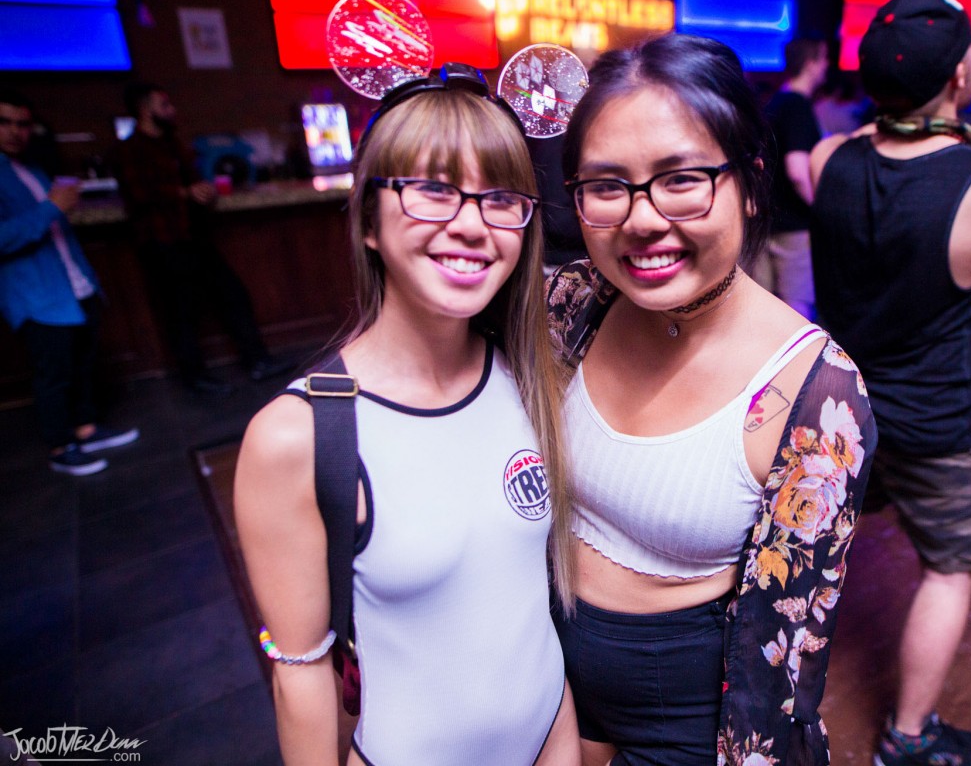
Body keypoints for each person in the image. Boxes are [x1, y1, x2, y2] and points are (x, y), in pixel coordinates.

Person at [234, 67, 580, 765]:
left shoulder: (532, 377)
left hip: (553, 738)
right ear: (368, 220)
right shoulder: (299, 435)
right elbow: (300, 675)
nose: (472, 225)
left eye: (501, 199)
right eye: (433, 190)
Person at [548, 33, 877, 766]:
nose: (641, 219)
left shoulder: (818, 398)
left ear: (751, 183)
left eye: (681, 179)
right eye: (607, 186)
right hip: (541, 669)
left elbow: (787, 648)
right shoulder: (576, 304)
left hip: (683, 723)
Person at [808, 0, 971, 766]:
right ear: (961, 75)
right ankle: (909, 738)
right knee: (949, 571)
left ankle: (769, 685)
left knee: (817, 549)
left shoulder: (827, 159)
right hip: (936, 425)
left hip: (842, 412)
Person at [110, 82, 290, 394]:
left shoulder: (172, 143)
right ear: (144, 110)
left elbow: (191, 179)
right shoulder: (129, 150)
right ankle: (195, 378)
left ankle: (257, 360)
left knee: (233, 295)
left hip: (193, 236)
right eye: (164, 105)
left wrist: (204, 190)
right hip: (163, 241)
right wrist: (184, 192)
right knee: (181, 312)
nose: (171, 110)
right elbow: (139, 195)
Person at [0, 88, 138, 475]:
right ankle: (60, 447)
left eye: (22, 124)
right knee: (54, 374)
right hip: (35, 294)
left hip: (73, 284)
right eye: (4, 122)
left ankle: (86, 429)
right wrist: (51, 207)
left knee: (82, 364)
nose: (14, 131)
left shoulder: (30, 167)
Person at [755, 35, 829, 318]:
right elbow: (797, 170)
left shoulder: (774, 103)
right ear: (810, 64)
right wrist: (821, 210)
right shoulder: (798, 105)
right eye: (823, 59)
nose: (827, 66)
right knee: (797, 309)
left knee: (765, 308)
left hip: (766, 221)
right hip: (794, 225)